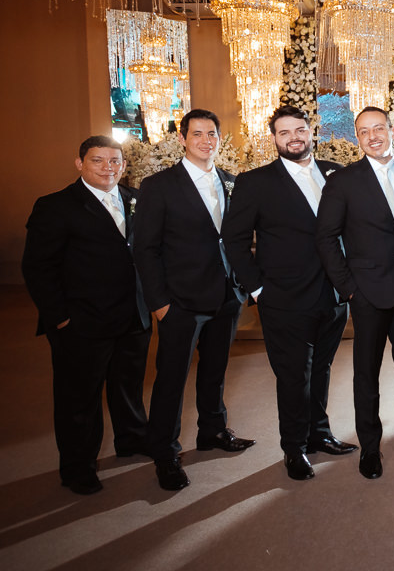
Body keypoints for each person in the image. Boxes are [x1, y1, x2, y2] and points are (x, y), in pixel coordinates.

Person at [223, 105, 355, 481]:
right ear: (274, 139)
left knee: (323, 369)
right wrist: (258, 289)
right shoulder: (255, 182)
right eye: (284, 132)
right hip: (284, 298)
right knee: (293, 376)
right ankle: (294, 448)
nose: (293, 138)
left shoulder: (336, 173)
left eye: (299, 130)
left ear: (311, 132)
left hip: (334, 295)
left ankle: (319, 434)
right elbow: (234, 240)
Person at [22, 136, 151, 495]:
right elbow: (37, 267)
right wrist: (60, 318)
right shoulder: (55, 206)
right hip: (81, 322)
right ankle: (77, 467)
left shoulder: (137, 199)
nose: (108, 168)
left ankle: (132, 439)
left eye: (115, 161)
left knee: (128, 386)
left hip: (132, 316)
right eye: (98, 160)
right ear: (80, 164)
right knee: (79, 399)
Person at [135, 109, 254, 493]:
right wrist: (160, 303)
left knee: (215, 370)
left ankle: (212, 430)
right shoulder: (159, 186)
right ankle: (165, 452)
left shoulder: (232, 182)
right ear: (182, 138)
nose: (206, 140)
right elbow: (145, 249)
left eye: (212, 133)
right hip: (180, 301)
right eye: (197, 133)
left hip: (226, 295)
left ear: (219, 138)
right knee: (171, 379)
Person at [315, 106, 394, 481]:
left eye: (378, 128)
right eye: (364, 132)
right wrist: (349, 289)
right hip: (367, 292)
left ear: (391, 131)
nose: (372, 136)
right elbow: (326, 238)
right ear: (358, 139)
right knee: (366, 373)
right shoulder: (343, 181)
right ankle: (369, 445)